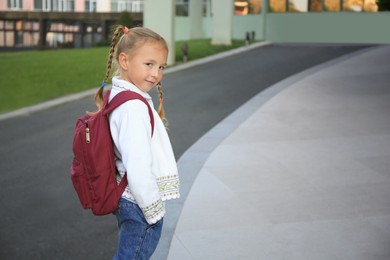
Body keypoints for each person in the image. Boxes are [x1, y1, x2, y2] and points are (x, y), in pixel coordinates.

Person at [93, 25, 180, 260]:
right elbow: (138, 165)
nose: (156, 74)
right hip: (139, 203)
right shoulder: (133, 107)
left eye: (161, 67)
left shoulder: (121, 95)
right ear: (124, 60)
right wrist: (154, 211)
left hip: (128, 197)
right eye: (149, 64)